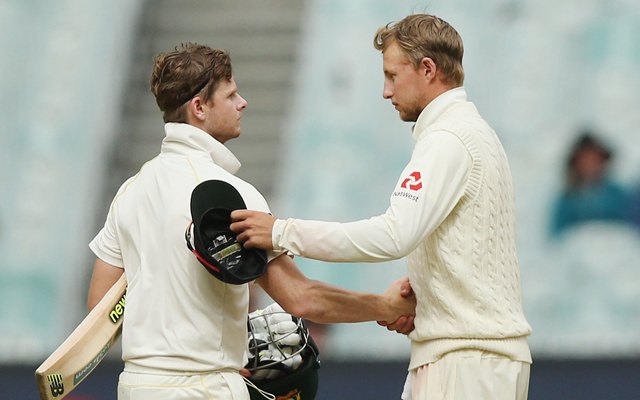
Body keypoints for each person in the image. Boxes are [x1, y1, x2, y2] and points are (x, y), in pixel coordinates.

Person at [87, 43, 415, 400]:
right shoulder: (234, 196)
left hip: (136, 386)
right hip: (206, 389)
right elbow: (303, 300)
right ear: (199, 108)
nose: (243, 103)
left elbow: (99, 310)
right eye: (231, 95)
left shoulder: (129, 192)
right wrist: (385, 306)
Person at [231, 14, 533, 400]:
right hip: (469, 352)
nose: (386, 92)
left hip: (467, 357)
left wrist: (280, 231)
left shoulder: (449, 139)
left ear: (427, 69)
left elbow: (393, 235)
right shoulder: (468, 132)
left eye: (392, 76)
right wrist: (425, 296)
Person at [550, 131, 630, 237]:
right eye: (585, 160)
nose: (590, 164)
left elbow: (629, 229)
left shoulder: (617, 194)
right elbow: (557, 235)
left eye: (594, 159)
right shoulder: (568, 199)